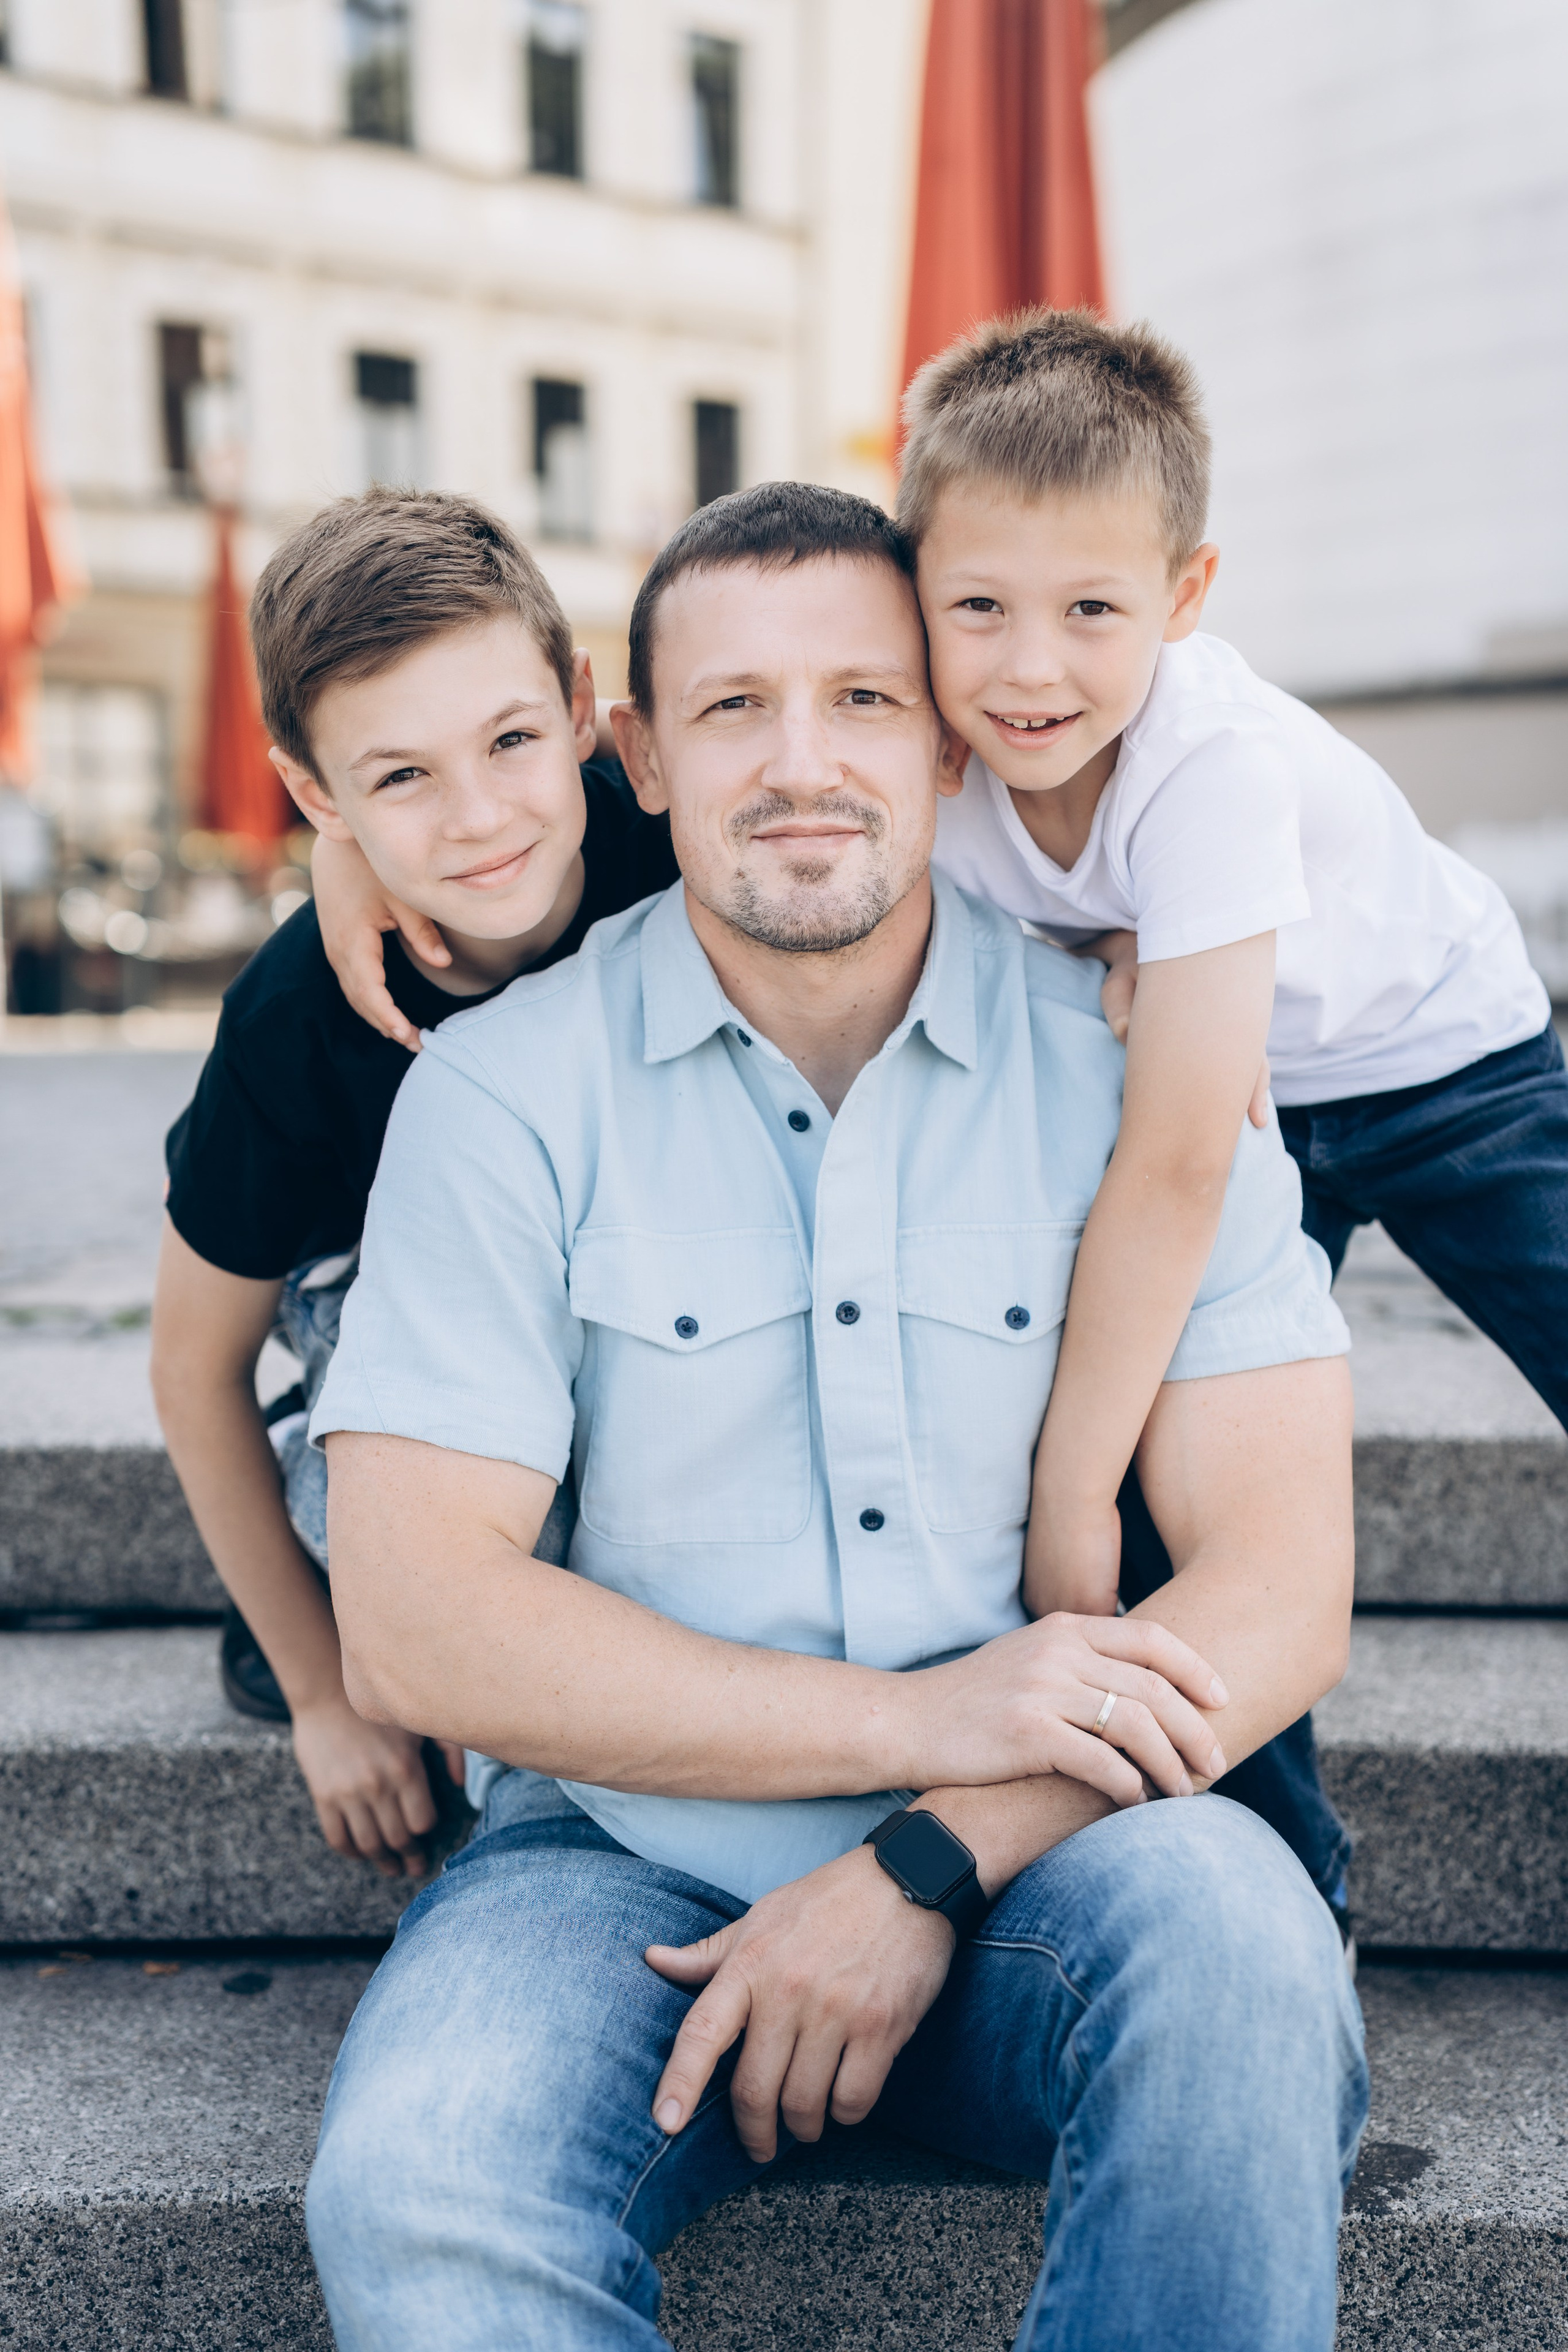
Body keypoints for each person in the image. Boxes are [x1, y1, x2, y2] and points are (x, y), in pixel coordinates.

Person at [304, 482, 1366, 2352]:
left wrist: (925, 1848)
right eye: (733, 711)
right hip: (619, 1862)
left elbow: (1280, 1581)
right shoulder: (502, 1097)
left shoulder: (1138, 1075)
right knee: (425, 2186)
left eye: (864, 701)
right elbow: (412, 1619)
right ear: (635, 752)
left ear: (951, 736)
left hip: (1066, 1847)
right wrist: (910, 1721)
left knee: (1245, 1969)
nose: (805, 765)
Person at [900, 307, 1564, 1629]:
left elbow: (1178, 1159)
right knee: (1194, 1490)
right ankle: (1266, 1838)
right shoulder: (919, 746)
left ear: (1183, 599)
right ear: (909, 581)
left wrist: (1065, 1495)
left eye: (1092, 609)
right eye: (975, 605)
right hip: (1244, 1093)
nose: (1028, 667)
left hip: (1441, 1065)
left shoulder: (1212, 760)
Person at [149, 489, 677, 1880]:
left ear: (577, 707)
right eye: (397, 780)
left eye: (509, 740)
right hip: (403, 1342)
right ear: (316, 795)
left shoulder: (676, 846)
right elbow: (192, 1370)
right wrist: (325, 1692)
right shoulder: (290, 1023)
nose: (480, 818)